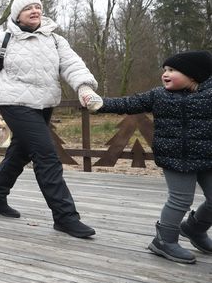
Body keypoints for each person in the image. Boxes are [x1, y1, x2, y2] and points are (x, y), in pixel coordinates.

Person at [0, 0, 100, 238]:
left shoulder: (55, 40)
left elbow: (72, 65)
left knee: (20, 152)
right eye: (28, 8)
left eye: (38, 7)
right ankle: (65, 216)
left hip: (44, 103)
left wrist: (84, 87)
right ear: (17, 14)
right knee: (46, 154)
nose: (34, 11)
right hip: (14, 102)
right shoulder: (5, 39)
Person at [89, 50, 212, 263]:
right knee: (180, 199)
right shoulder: (159, 95)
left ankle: (194, 229)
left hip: (207, 156)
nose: (165, 73)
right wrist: (99, 104)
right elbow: (128, 103)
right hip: (175, 157)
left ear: (194, 75)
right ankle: (165, 240)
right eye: (164, 70)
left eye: (172, 70)